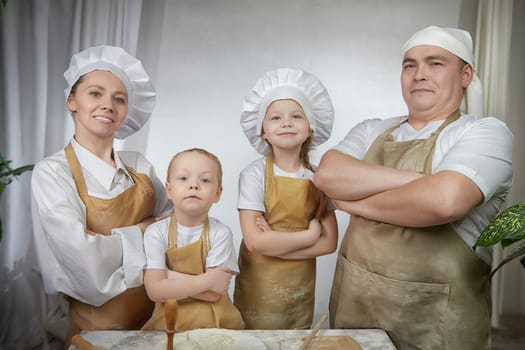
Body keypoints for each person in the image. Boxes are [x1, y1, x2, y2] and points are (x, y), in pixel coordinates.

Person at [314, 25, 514, 350]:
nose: (419, 74)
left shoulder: (484, 133)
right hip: (354, 313)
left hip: (435, 327)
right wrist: (418, 183)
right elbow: (327, 176)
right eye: (410, 65)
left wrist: (350, 202)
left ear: (466, 75)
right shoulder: (371, 129)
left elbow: (444, 202)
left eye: (435, 63)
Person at [31, 45, 172, 346]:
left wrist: (109, 241)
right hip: (97, 331)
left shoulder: (139, 165)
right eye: (95, 93)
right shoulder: (53, 173)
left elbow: (178, 231)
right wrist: (146, 229)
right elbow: (86, 266)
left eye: (119, 98)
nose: (108, 104)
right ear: (72, 100)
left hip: (158, 321)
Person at [234, 68, 339, 330]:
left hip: (299, 287)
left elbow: (330, 243)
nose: (286, 123)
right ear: (262, 132)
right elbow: (256, 242)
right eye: (276, 118)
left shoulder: (319, 179)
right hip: (258, 284)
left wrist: (276, 245)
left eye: (296, 116)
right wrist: (307, 237)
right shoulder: (254, 175)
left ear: (310, 129)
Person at [141, 148, 244, 331]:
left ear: (218, 193)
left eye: (205, 180)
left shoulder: (220, 233)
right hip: (168, 322)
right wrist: (206, 281)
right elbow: (155, 292)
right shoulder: (155, 232)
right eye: (183, 178)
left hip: (214, 324)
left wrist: (168, 277)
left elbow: (214, 294)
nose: (194, 185)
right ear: (169, 190)